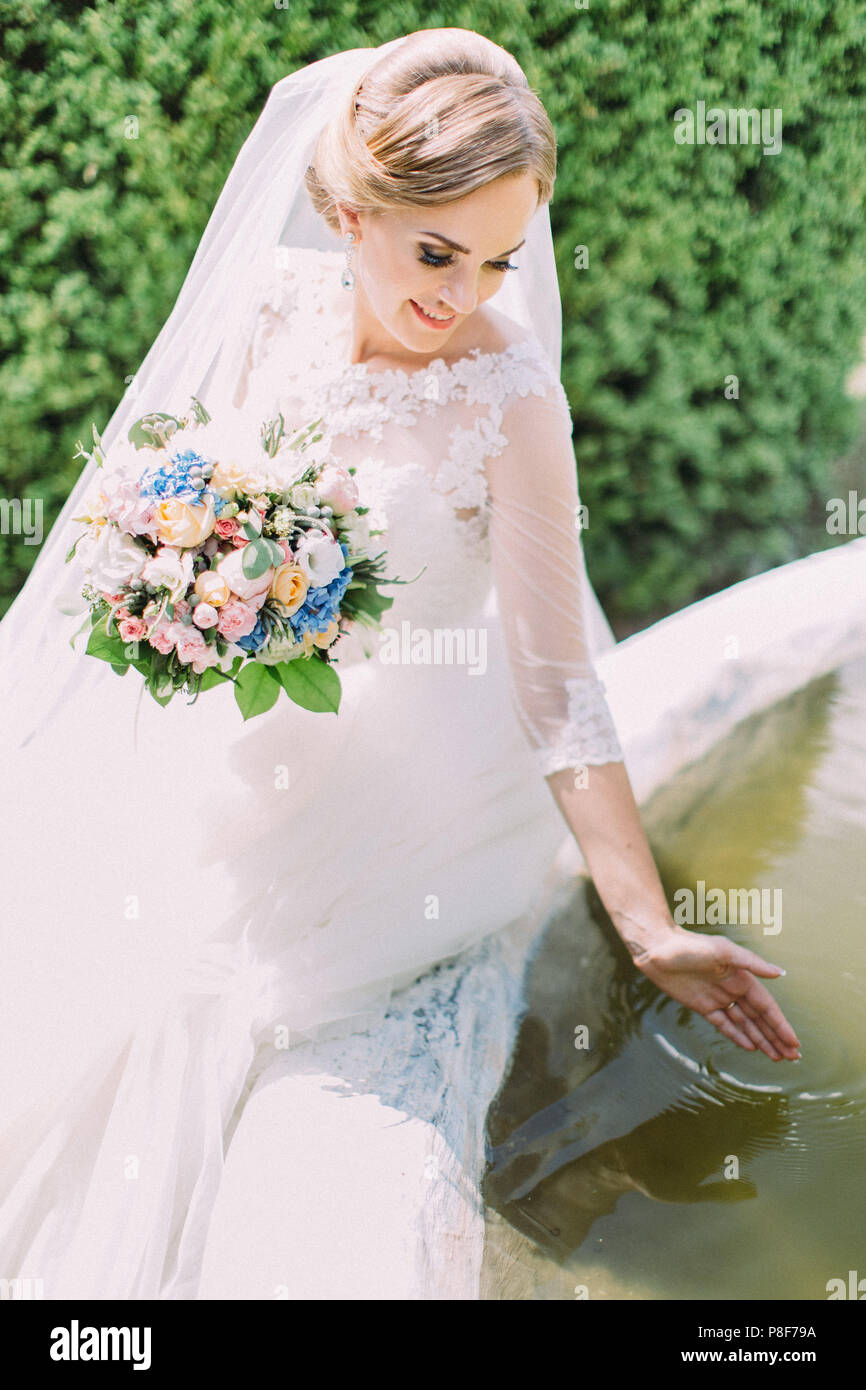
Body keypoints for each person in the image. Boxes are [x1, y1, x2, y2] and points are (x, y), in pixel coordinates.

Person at [0, 27, 799, 1300]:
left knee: (222, 992)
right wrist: (182, 598)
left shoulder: (510, 402)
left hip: (422, 774)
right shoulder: (267, 313)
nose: (462, 294)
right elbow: (167, 513)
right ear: (344, 207)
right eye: (436, 252)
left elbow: (555, 687)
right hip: (251, 726)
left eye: (495, 261)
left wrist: (646, 925)